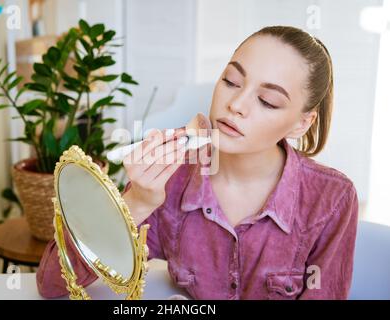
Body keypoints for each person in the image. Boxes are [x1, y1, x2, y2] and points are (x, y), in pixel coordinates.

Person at [36, 25, 358, 300]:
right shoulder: (170, 175)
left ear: (302, 123)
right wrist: (134, 203)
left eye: (267, 101)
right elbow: (51, 283)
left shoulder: (331, 199)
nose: (236, 105)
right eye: (231, 81)